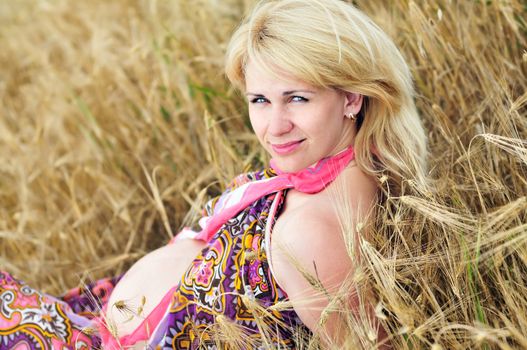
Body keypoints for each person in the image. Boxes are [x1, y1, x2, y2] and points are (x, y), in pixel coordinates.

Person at [0, 0, 427, 349]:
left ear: (352, 97)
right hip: (94, 320)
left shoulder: (314, 233)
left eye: (297, 98)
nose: (273, 128)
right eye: (259, 100)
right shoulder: (331, 167)